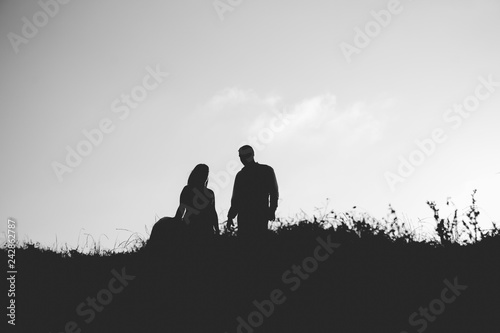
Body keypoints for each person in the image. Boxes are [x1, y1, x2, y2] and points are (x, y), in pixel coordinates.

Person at [148, 164, 219, 250]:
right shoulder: (188, 190)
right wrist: (176, 223)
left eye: (206, 173)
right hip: (192, 227)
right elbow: (182, 208)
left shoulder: (209, 193)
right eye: (203, 173)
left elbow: (213, 212)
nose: (205, 175)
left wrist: (217, 229)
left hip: (206, 228)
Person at [227, 145, 279, 236]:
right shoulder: (242, 175)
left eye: (246, 155)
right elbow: (236, 199)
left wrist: (272, 210)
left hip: (258, 214)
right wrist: (231, 216)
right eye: (242, 157)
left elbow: (273, 192)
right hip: (250, 215)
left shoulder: (265, 171)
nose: (243, 159)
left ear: (252, 154)